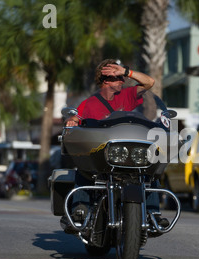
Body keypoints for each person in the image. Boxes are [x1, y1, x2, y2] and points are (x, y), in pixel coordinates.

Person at [63, 59, 168, 231]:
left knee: (150, 173)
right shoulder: (89, 104)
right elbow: (76, 118)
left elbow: (150, 82)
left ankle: (152, 213)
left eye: (122, 77)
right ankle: (79, 210)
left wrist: (127, 71)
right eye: (118, 77)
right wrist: (72, 121)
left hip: (128, 153)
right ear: (106, 79)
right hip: (103, 156)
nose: (123, 81)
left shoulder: (127, 95)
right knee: (83, 171)